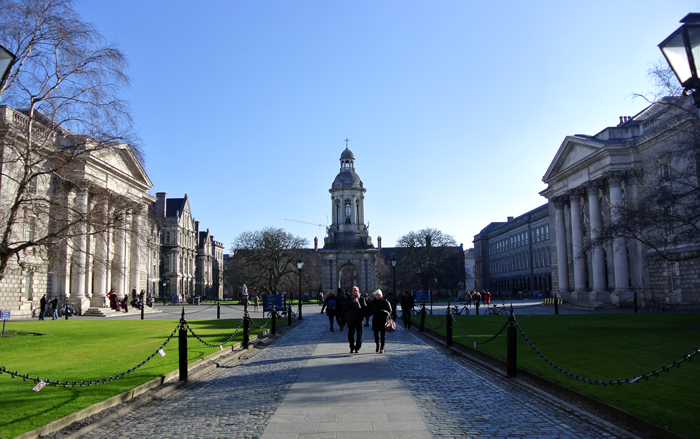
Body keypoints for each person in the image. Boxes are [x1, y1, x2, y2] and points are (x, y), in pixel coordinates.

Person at [344, 286, 367, 353]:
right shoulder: (348, 299)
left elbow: (365, 309)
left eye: (356, 291)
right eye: (354, 291)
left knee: (360, 334)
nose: (355, 292)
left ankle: (357, 347)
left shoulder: (362, 299)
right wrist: (353, 302)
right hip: (351, 319)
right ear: (352, 292)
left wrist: (362, 316)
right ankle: (351, 347)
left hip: (359, 319)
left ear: (359, 291)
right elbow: (345, 307)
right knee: (350, 334)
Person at [369, 289, 392, 353]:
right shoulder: (373, 302)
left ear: (381, 295)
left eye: (379, 295)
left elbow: (390, 311)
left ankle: (382, 347)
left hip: (383, 319)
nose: (377, 296)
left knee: (383, 334)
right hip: (375, 319)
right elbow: (371, 311)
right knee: (375, 334)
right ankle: (377, 344)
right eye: (376, 295)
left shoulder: (385, 302)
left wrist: (385, 312)